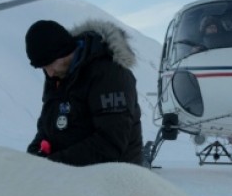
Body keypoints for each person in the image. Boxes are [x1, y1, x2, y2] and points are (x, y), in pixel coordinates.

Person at [25, 19, 143, 166]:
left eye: (50, 64)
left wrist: (53, 165)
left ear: (64, 52)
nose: (49, 73)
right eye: (43, 67)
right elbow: (47, 127)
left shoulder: (109, 74)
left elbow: (111, 143)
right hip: (70, 175)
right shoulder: (58, 76)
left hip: (112, 179)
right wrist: (33, 156)